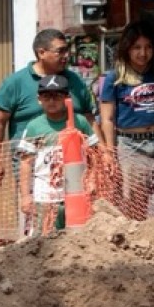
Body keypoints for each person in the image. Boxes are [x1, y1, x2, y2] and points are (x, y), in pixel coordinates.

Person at [0, 29, 99, 190]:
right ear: (41, 53)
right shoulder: (16, 83)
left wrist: (105, 153)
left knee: (75, 212)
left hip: (73, 163)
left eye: (67, 50)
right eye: (60, 51)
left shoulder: (74, 81)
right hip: (32, 167)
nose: (66, 55)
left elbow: (89, 119)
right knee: (36, 212)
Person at [98, 22, 154, 220]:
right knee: (134, 201)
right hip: (130, 146)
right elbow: (107, 118)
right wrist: (110, 153)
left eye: (147, 47)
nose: (143, 53)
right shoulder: (115, 78)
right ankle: (138, 240)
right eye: (137, 47)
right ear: (127, 48)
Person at [17, 74, 99, 237]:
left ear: (67, 98)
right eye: (46, 96)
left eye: (57, 96)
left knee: (79, 237)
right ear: (39, 99)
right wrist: (26, 196)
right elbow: (26, 163)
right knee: (42, 240)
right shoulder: (34, 127)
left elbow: (95, 153)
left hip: (76, 194)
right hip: (45, 197)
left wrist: (92, 179)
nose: (52, 101)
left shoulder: (80, 122)